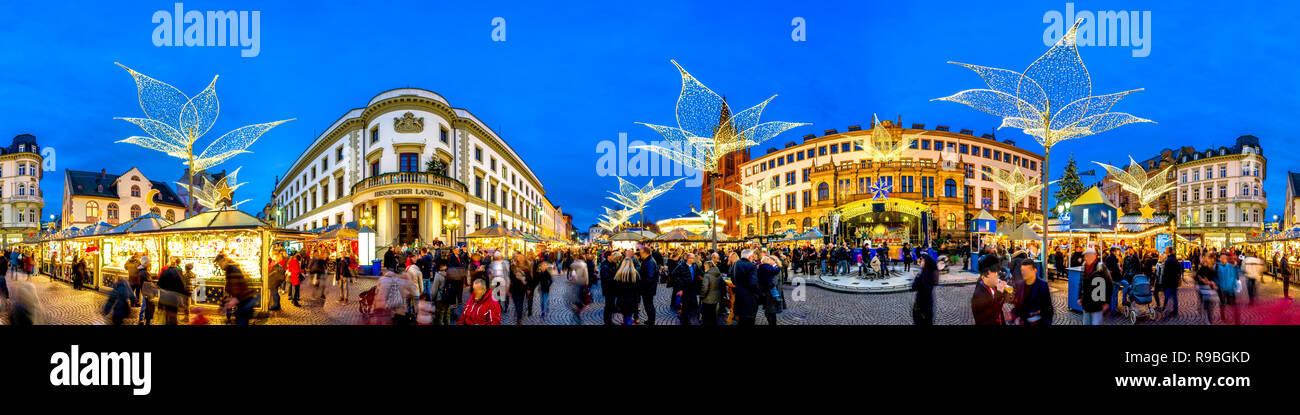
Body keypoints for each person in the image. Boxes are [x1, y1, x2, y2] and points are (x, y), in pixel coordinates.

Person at [1011, 258, 1052, 325]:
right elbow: (1017, 307)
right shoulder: (1019, 285)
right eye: (1022, 270)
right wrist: (1014, 316)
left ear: (1034, 270)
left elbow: (1048, 309)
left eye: (1027, 270)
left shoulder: (1043, 285)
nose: (1023, 273)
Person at [971, 254, 1010, 325]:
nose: (998, 275)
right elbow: (990, 317)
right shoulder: (979, 296)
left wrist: (1003, 291)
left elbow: (999, 307)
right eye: (996, 272)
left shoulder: (991, 285)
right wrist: (999, 294)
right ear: (988, 273)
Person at [1077, 248, 1112, 325]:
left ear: (1094, 256)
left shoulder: (1101, 267)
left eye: (1088, 256)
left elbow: (1109, 284)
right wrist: (1079, 297)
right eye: (1085, 256)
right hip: (1086, 303)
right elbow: (1081, 283)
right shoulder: (1084, 266)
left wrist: (1107, 302)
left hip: (1097, 304)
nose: (1086, 258)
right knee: (1086, 323)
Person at [219, 253, 256, 326]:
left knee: (241, 320)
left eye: (220, 264)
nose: (220, 267)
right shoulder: (230, 269)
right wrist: (223, 303)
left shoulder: (232, 270)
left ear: (224, 261)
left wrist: (234, 299)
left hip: (245, 300)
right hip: (244, 300)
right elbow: (229, 287)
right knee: (241, 319)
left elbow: (237, 286)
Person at [730, 249, 760, 326]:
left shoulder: (736, 263)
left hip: (739, 294)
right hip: (749, 297)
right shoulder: (751, 265)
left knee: (741, 318)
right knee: (749, 319)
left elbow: (732, 279)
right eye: (752, 256)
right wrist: (758, 293)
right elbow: (753, 283)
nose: (753, 258)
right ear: (750, 257)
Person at [157, 257, 190, 325]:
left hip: (165, 296)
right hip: (174, 296)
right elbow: (182, 285)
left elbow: (159, 284)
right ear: (175, 264)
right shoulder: (178, 272)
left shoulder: (164, 272)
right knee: (173, 314)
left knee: (166, 313)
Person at [672, 253, 701, 325]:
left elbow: (701, 272)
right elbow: (673, 274)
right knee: (685, 304)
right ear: (688, 259)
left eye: (694, 258)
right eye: (692, 258)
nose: (694, 259)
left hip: (692, 288)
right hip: (685, 288)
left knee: (690, 304)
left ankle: (683, 316)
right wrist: (680, 283)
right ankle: (684, 320)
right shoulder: (681, 266)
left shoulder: (695, 265)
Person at [910, 253, 938, 325]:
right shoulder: (931, 274)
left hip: (921, 307)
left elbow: (914, 287)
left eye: (922, 260)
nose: (921, 261)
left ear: (926, 263)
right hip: (928, 306)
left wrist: (916, 278)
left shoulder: (923, 276)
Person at [614, 253, 640, 325]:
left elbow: (616, 289)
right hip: (632, 300)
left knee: (625, 315)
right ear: (632, 264)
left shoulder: (619, 274)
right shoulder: (636, 274)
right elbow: (638, 288)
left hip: (622, 299)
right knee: (629, 316)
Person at [1215, 252, 1241, 325]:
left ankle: (1237, 319)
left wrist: (1235, 267)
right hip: (1221, 289)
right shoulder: (1216, 266)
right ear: (1219, 258)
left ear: (1226, 259)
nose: (1223, 259)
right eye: (1222, 257)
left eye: (1224, 258)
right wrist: (1217, 284)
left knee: (1233, 304)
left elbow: (1236, 276)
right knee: (1222, 303)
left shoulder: (1230, 266)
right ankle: (1222, 314)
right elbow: (1214, 276)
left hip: (1230, 289)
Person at [635, 247, 659, 325]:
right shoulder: (647, 260)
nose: (640, 254)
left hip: (648, 288)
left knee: (649, 306)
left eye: (641, 253)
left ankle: (651, 321)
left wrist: (641, 283)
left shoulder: (650, 262)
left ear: (645, 253)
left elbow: (650, 277)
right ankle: (650, 320)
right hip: (647, 288)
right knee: (648, 305)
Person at [758, 254, 783, 325]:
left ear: (774, 260)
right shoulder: (770, 268)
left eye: (770, 260)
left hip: (772, 293)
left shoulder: (775, 268)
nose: (768, 261)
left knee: (770, 311)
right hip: (768, 292)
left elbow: (774, 282)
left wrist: (765, 284)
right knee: (768, 311)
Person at [1160, 248, 1183, 319]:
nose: (1165, 251)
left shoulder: (1168, 261)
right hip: (1174, 282)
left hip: (1168, 282)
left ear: (1168, 252)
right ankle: (1175, 311)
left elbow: (1165, 273)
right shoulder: (1175, 260)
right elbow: (1179, 270)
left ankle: (1167, 314)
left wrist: (1163, 283)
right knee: (1174, 297)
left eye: (1166, 250)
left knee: (1167, 298)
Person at [699, 258, 723, 326]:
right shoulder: (718, 274)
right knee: (713, 313)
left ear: (708, 266)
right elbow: (722, 285)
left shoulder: (707, 275)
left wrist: (702, 296)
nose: (704, 268)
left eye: (704, 266)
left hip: (708, 299)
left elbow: (705, 288)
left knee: (706, 314)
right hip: (716, 297)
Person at [600, 251, 621, 325]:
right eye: (612, 255)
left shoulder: (612, 264)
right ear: (608, 256)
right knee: (608, 305)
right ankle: (607, 321)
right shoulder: (605, 266)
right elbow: (606, 280)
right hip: (608, 289)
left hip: (613, 289)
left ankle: (609, 320)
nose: (613, 256)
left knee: (611, 305)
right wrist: (616, 278)